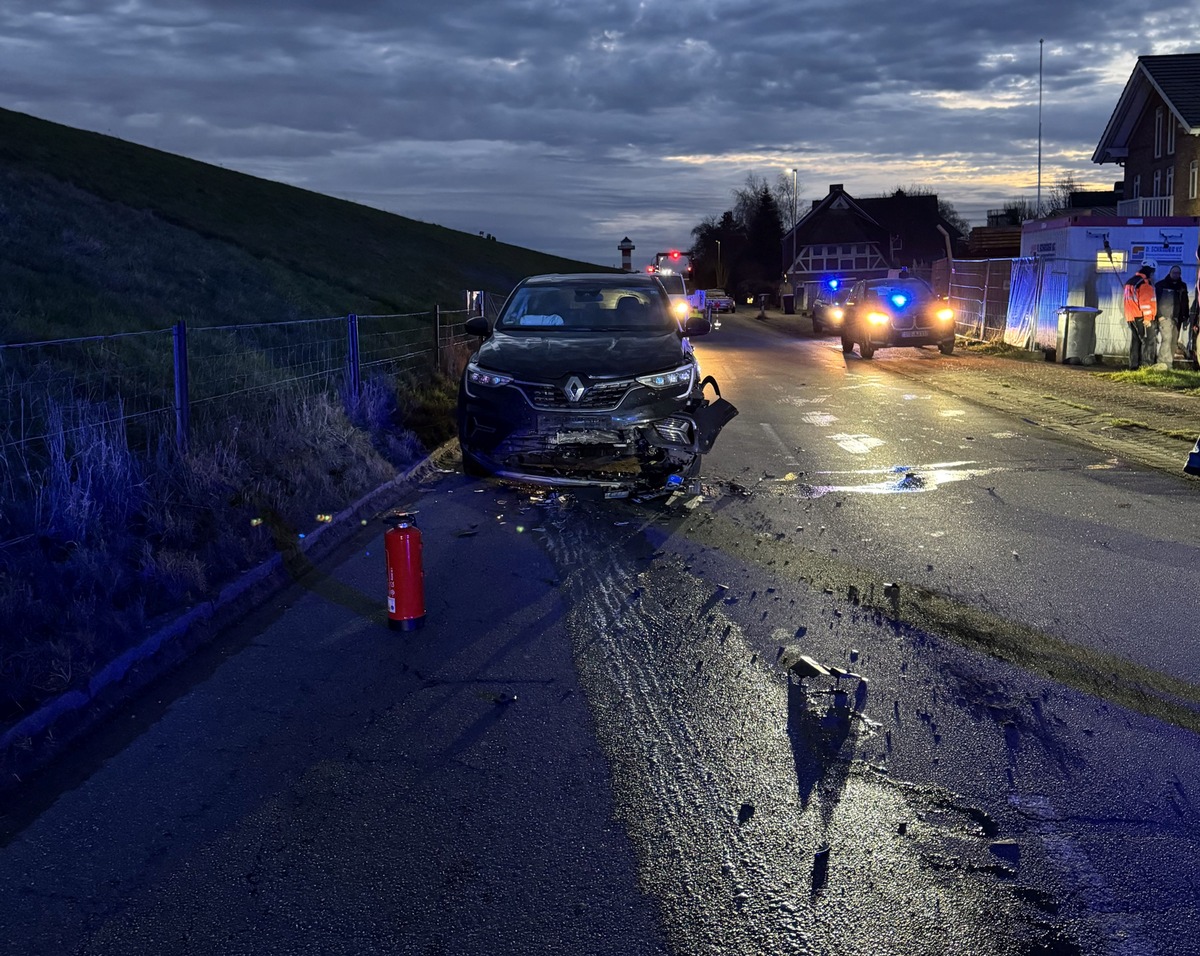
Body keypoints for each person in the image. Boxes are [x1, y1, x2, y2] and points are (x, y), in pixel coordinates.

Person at [1123, 259, 1157, 369]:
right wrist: (1147, 318)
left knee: (1136, 341)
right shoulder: (1144, 283)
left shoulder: (1130, 281)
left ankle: (1133, 366)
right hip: (1141, 317)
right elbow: (1145, 302)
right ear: (1150, 271)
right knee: (1148, 341)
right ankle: (1146, 366)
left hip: (1130, 316)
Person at [1154, 264, 1189, 369]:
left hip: (1177, 318)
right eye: (1174, 273)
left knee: (1174, 341)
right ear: (1170, 273)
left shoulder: (1182, 286)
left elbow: (1185, 301)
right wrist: (1159, 316)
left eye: (1178, 273)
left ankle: (1169, 363)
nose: (1176, 275)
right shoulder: (1161, 285)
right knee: (1167, 339)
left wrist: (1185, 316)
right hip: (1165, 317)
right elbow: (1155, 301)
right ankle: (1162, 363)